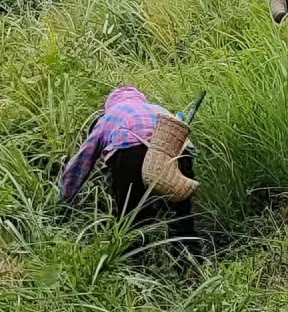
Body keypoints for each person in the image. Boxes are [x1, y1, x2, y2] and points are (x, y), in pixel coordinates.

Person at [60, 87, 196, 242]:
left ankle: (137, 260)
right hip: (178, 152)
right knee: (181, 214)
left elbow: (82, 161)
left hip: (130, 153)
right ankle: (189, 257)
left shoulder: (109, 117)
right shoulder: (159, 109)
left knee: (132, 218)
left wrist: (65, 197)